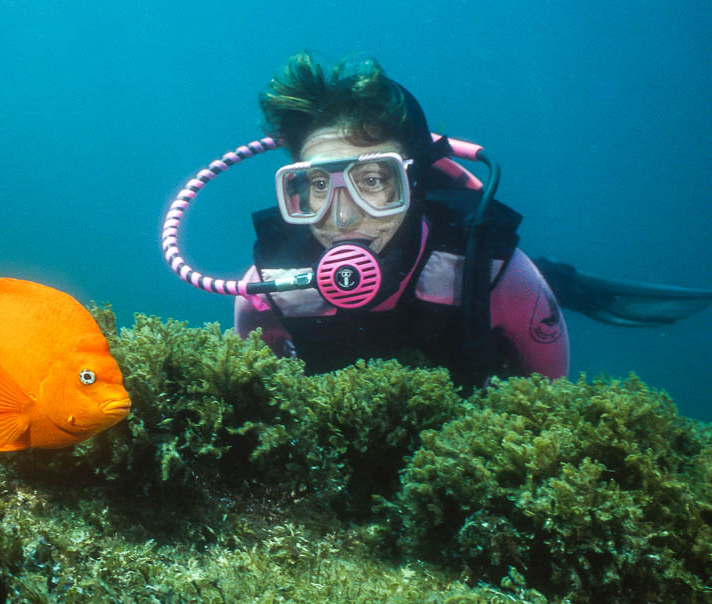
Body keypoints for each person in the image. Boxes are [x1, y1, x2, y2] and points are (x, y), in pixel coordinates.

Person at [233, 52, 568, 388]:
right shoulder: (267, 290)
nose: (343, 217)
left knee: (551, 281)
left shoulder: (498, 275)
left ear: (415, 183)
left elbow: (552, 401)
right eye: (320, 184)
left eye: (372, 181)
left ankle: (567, 282)